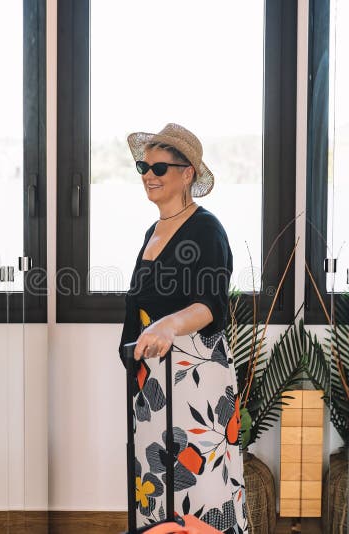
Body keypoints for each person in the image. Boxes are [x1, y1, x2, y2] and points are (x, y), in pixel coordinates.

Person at [119, 123, 247, 533]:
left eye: (160, 167)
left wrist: (166, 325)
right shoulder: (153, 231)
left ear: (187, 173)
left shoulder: (206, 229)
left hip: (196, 374)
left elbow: (210, 304)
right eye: (143, 166)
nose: (148, 175)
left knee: (200, 478)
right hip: (154, 374)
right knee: (157, 477)